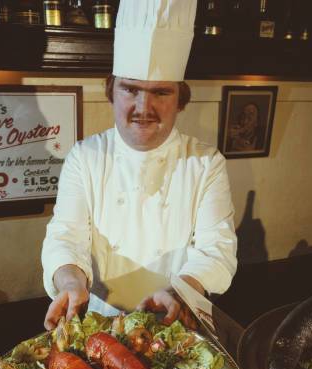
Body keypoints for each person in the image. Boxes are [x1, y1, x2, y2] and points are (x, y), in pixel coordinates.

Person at [42, 0, 237, 330]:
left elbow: (216, 251)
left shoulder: (206, 163)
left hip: (177, 317)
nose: (143, 106)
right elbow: (66, 237)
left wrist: (178, 290)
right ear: (112, 92)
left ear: (180, 100)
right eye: (130, 89)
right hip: (101, 321)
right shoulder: (85, 156)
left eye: (160, 91)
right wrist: (70, 283)